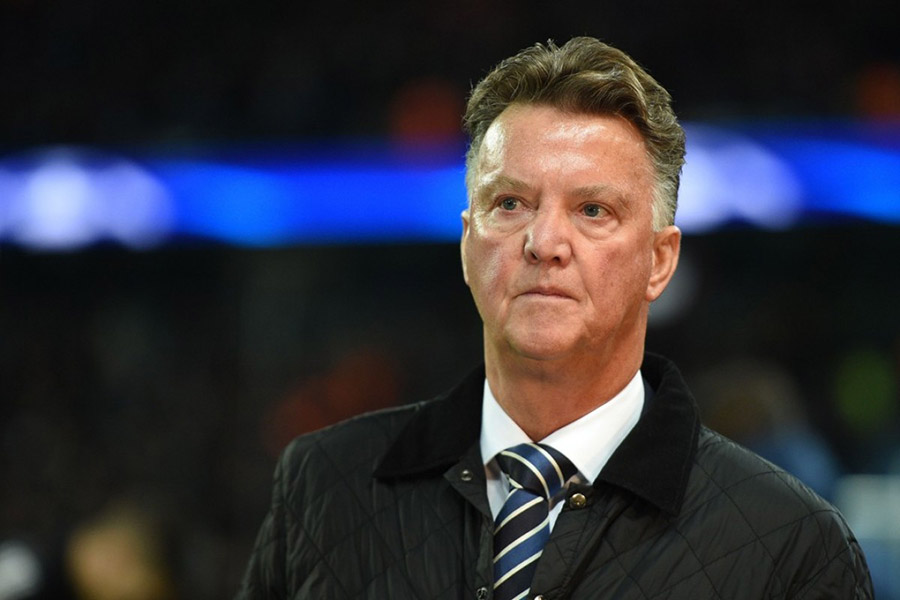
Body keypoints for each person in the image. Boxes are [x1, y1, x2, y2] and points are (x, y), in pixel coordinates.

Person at [236, 37, 873, 599]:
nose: (544, 243)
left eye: (593, 210)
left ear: (659, 261)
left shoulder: (792, 545)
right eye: (510, 203)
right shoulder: (322, 484)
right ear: (467, 243)